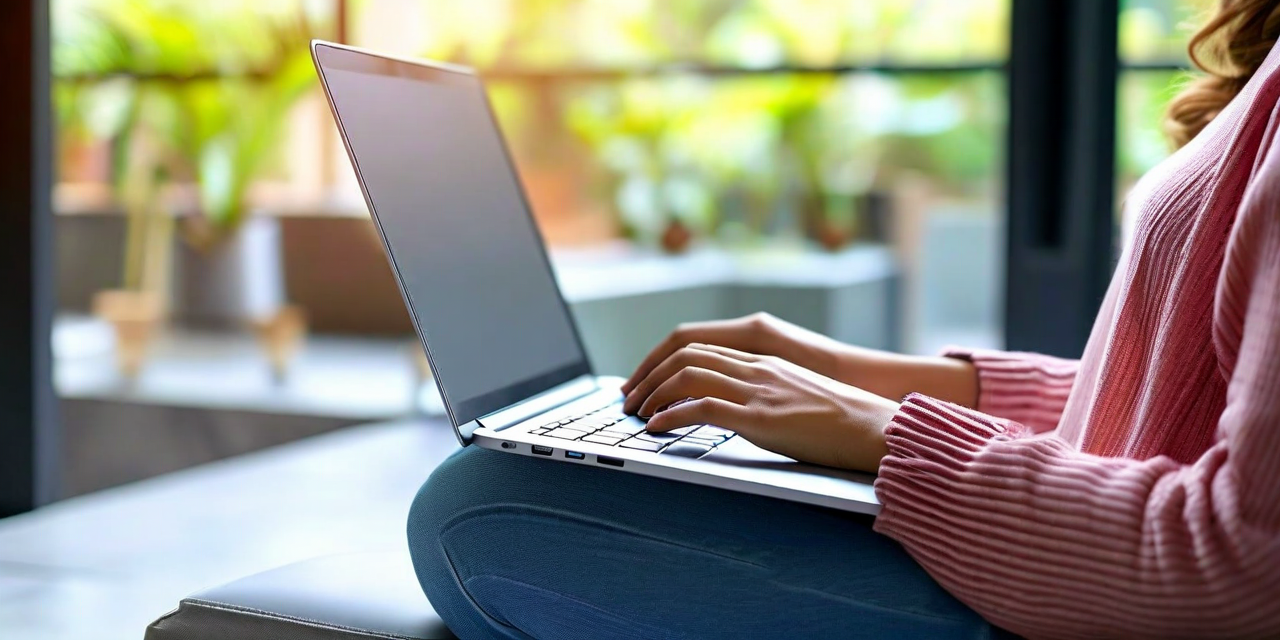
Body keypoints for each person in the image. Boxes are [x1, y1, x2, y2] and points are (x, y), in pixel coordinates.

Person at [407, 2, 1280, 638]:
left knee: (479, 510)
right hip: (1097, 554)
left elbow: (1248, 567)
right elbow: (1172, 405)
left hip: (1109, 599)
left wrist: (889, 433)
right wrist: (854, 375)